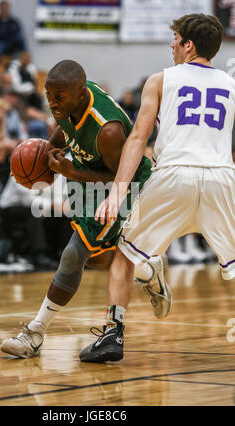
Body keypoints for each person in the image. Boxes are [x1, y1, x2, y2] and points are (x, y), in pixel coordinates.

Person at [79, 13, 235, 363]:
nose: (171, 44)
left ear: (188, 45)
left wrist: (118, 192)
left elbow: (138, 138)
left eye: (176, 38)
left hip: (174, 175)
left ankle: (112, 336)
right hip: (222, 177)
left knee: (124, 256)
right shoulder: (231, 85)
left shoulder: (161, 80)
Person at [1, 60, 170, 358]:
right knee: (100, 257)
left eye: (58, 97)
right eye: (48, 96)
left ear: (80, 93)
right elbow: (65, 128)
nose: (52, 103)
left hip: (124, 184)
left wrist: (70, 171)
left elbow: (121, 177)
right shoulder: (67, 100)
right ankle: (147, 270)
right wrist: (48, 151)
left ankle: (35, 333)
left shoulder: (108, 130)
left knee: (74, 254)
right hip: (86, 172)